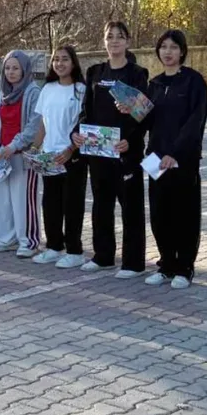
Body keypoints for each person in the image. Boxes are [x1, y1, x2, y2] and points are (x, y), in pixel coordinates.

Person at [73, 21, 150, 277]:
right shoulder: (95, 72)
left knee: (131, 207)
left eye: (120, 36)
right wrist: (79, 133)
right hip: (98, 151)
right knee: (101, 205)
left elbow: (144, 113)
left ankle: (133, 262)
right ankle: (103, 256)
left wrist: (131, 138)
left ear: (127, 41)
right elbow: (86, 110)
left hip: (126, 151)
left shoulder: (137, 73)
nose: (114, 41)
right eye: (110, 36)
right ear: (104, 41)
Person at [143, 30, 207, 290]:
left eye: (173, 47)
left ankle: (184, 267)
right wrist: (131, 111)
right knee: (160, 215)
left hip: (182, 160)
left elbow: (196, 121)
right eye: (163, 47)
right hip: (156, 161)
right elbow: (148, 121)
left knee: (184, 215)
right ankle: (166, 265)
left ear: (182, 51)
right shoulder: (156, 84)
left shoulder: (193, 82)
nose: (168, 52)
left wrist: (176, 152)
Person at [32, 46, 88, 268]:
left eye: (65, 59)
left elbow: (85, 124)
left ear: (73, 63)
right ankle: (54, 247)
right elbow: (43, 125)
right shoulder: (47, 89)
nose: (60, 63)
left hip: (72, 157)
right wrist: (35, 149)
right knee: (51, 203)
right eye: (56, 59)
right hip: (49, 156)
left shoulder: (82, 90)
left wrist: (70, 150)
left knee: (72, 204)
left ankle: (75, 251)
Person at [0, 50, 42, 256]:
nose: (11, 72)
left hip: (22, 155)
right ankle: (6, 238)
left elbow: (33, 125)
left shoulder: (33, 92)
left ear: (24, 69)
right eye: (7, 68)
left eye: (15, 68)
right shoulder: (1, 95)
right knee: (4, 200)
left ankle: (28, 241)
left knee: (23, 200)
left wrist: (14, 145)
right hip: (1, 156)